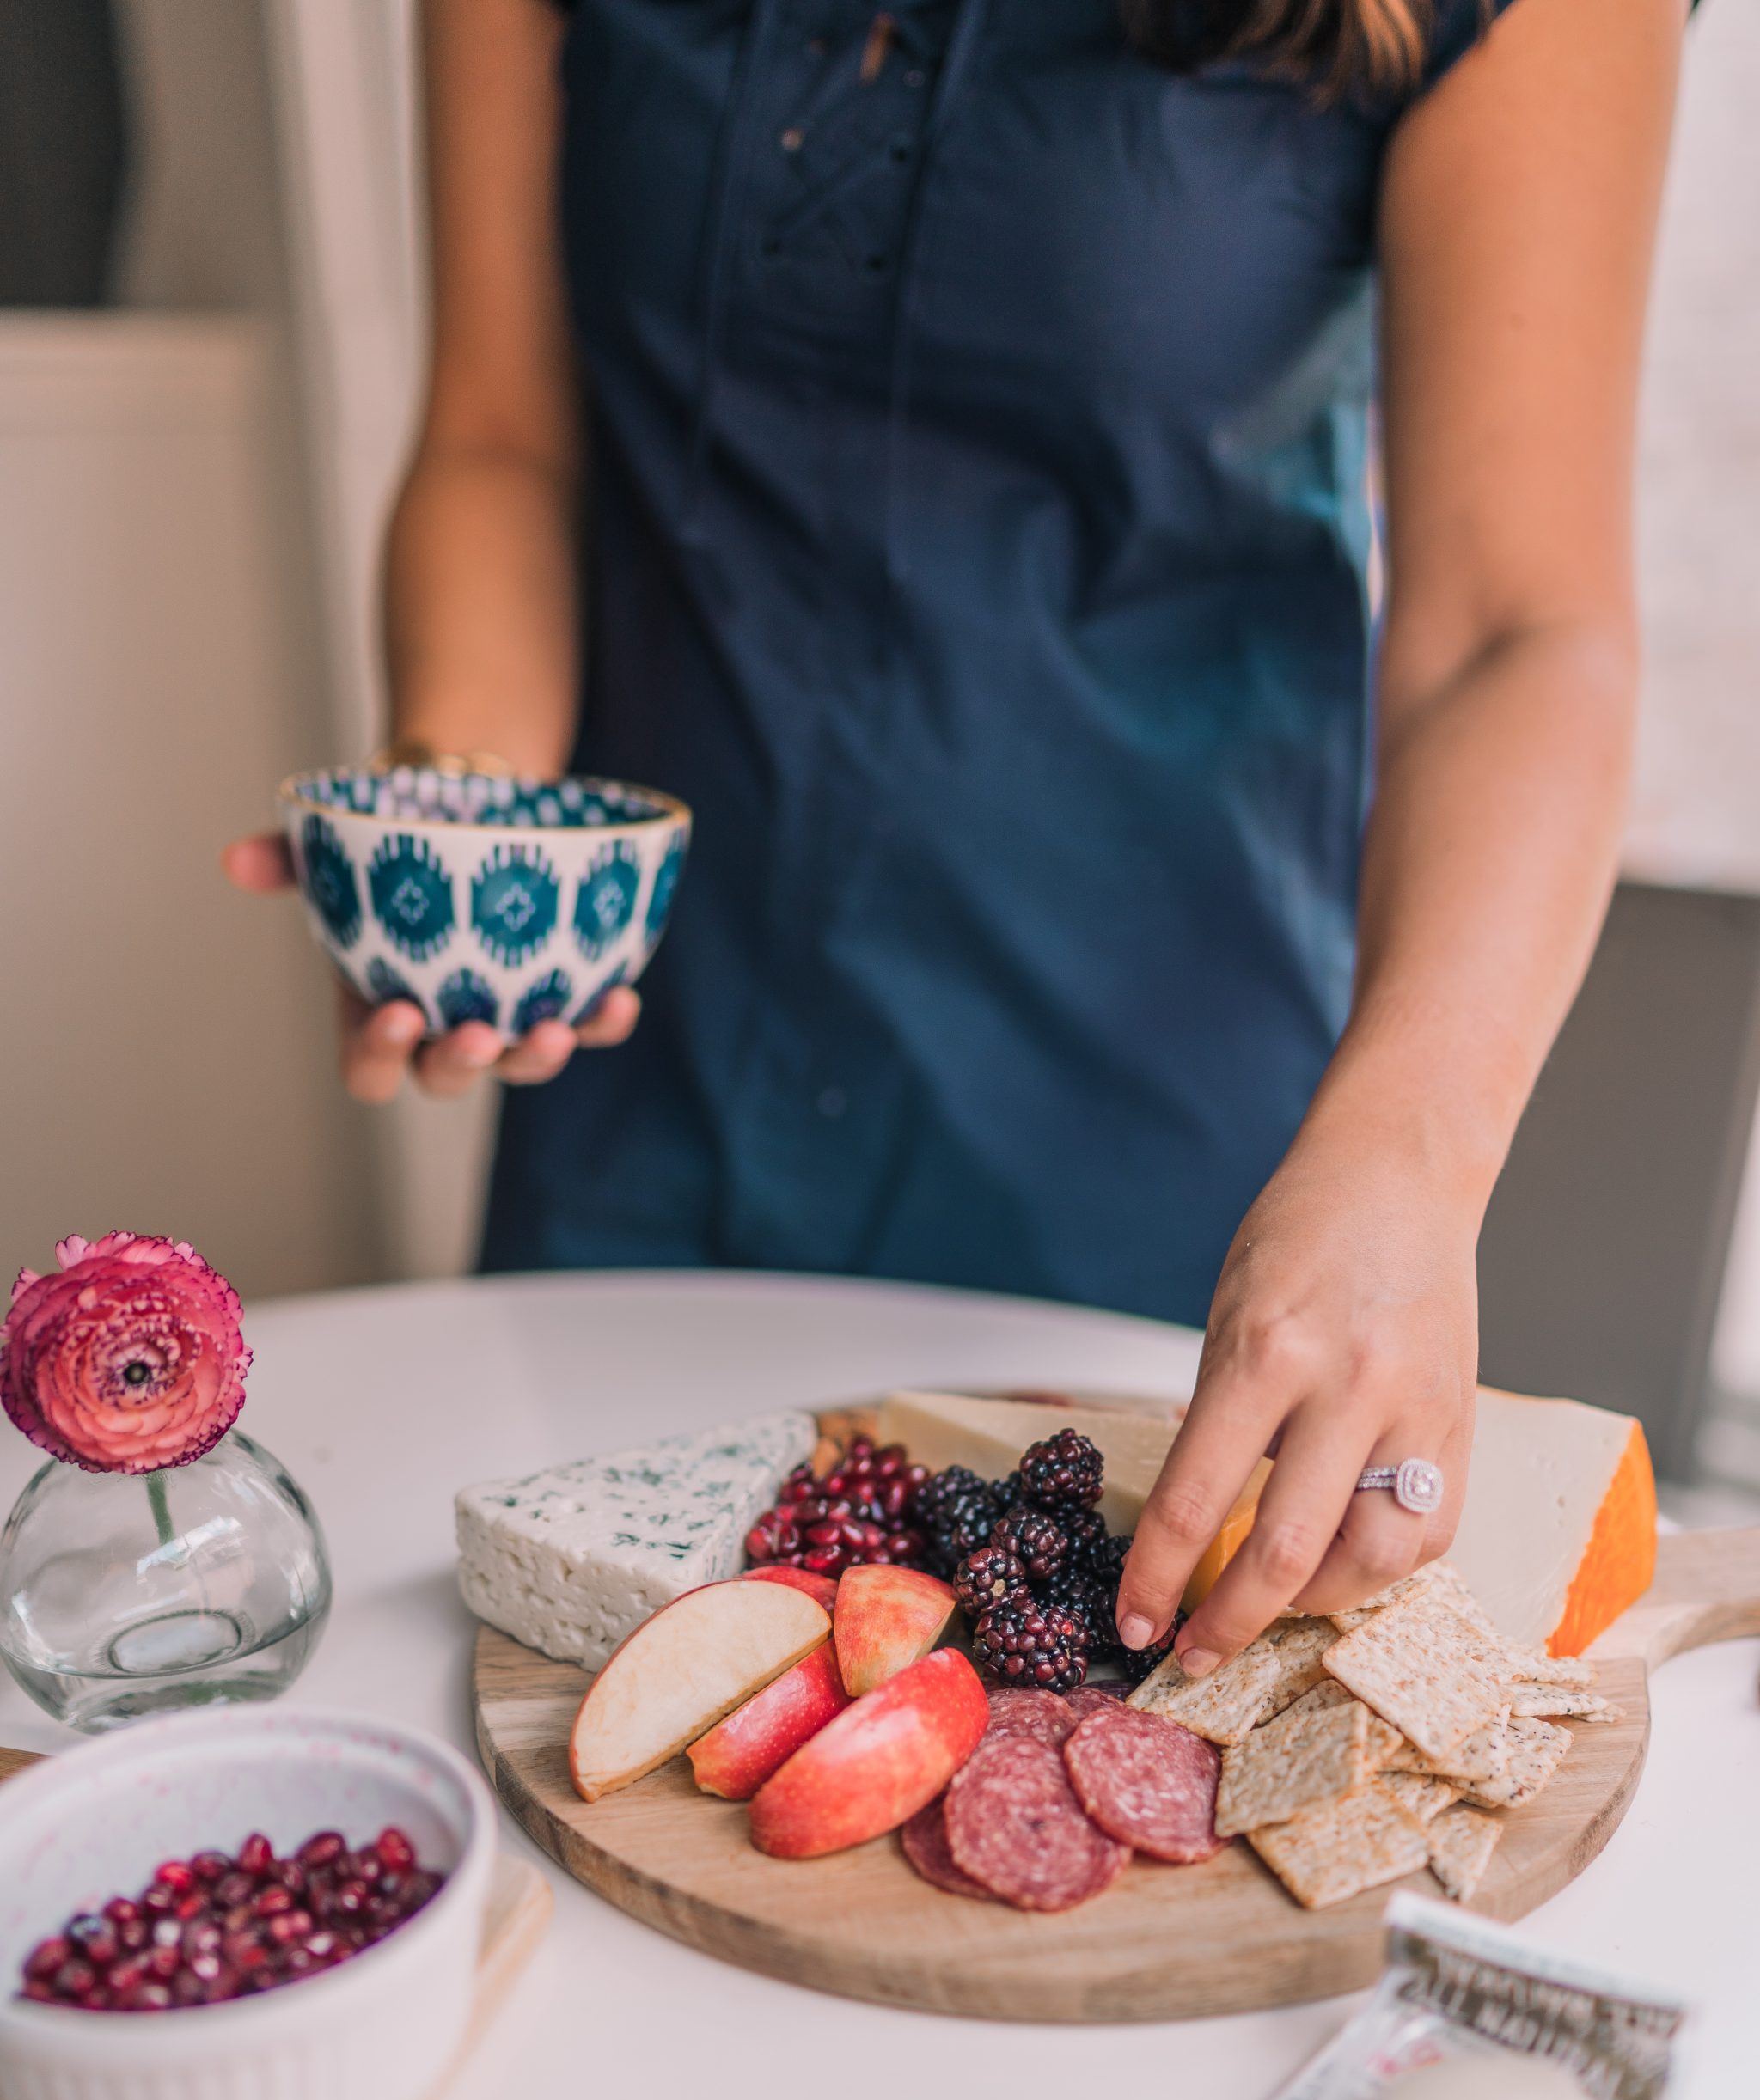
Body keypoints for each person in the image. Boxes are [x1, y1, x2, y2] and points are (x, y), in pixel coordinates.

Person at [227, 0, 1684, 1678]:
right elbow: (502, 435)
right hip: (646, 1113)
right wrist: (463, 824)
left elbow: (1518, 628)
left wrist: (1415, 1159)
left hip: (1155, 1168)